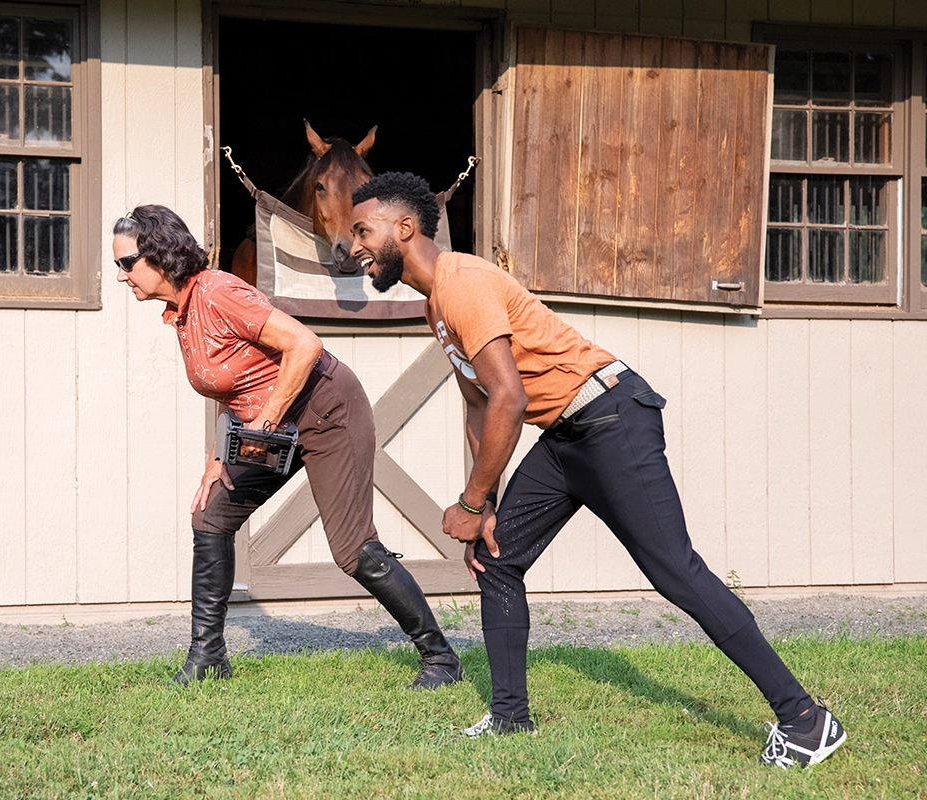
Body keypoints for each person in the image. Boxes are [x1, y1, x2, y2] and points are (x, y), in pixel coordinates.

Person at [348, 172, 846, 768]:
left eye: (361, 229)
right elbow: (481, 403)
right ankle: (509, 719)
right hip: (565, 435)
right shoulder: (437, 305)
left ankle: (806, 721)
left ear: (405, 228)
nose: (352, 245)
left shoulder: (462, 282)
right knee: (496, 556)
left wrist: (473, 502)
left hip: (610, 417)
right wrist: (488, 506)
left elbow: (507, 396)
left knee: (677, 573)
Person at [112, 204, 464, 689]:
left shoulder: (218, 292)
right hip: (274, 422)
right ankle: (208, 657)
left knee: (353, 551)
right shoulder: (182, 311)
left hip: (327, 411)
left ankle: (441, 659)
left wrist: (267, 421)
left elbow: (304, 345)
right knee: (211, 515)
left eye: (126, 264)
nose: (120, 276)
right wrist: (219, 460)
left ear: (158, 256)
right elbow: (229, 389)